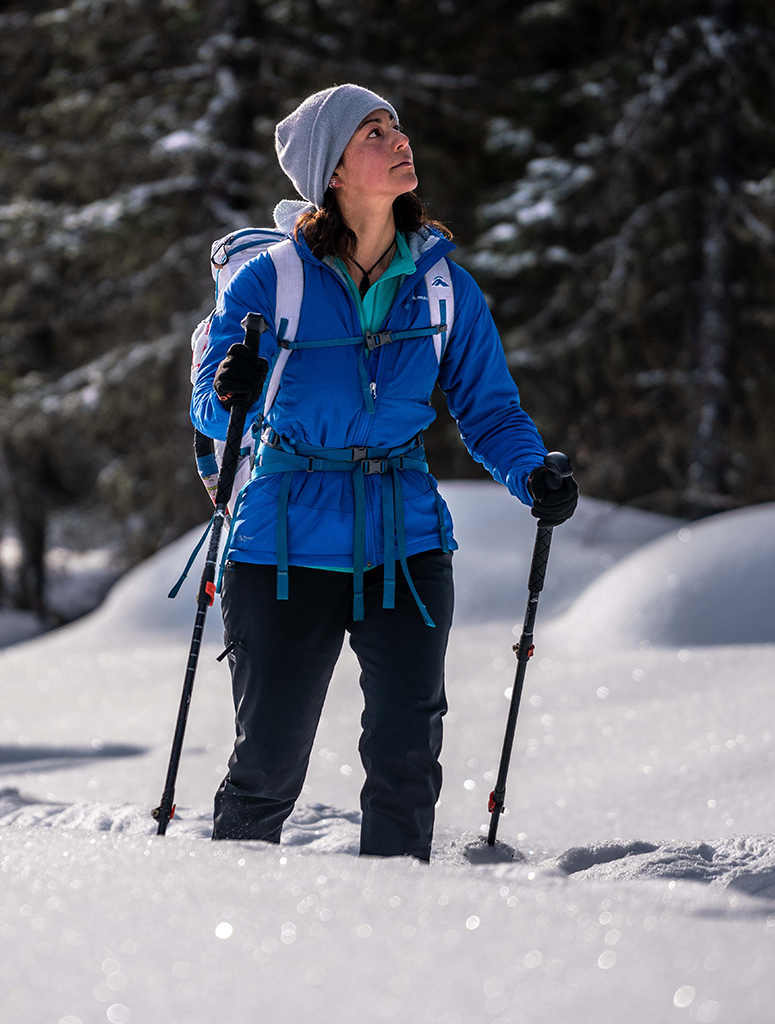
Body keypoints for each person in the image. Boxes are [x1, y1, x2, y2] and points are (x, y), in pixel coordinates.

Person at [191, 83, 578, 862]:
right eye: (374, 131)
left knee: (406, 763)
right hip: (282, 546)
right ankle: (224, 932)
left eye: (396, 125)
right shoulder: (271, 281)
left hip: (405, 545)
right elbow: (212, 409)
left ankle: (396, 943)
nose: (398, 138)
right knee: (268, 765)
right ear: (332, 169)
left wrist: (533, 473)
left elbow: (491, 410)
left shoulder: (445, 286)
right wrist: (231, 385)